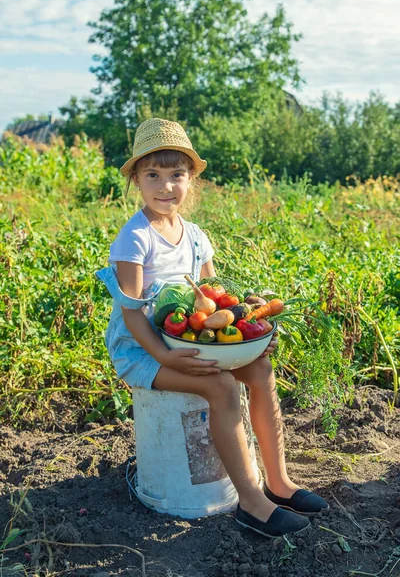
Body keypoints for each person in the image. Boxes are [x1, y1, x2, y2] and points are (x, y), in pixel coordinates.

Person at [96, 118, 329, 539]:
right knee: (221, 386)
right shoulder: (134, 240)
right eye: (153, 175)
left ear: (190, 179)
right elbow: (132, 314)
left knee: (258, 370)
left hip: (188, 340)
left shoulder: (197, 237)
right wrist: (164, 354)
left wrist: (251, 328)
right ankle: (252, 503)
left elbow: (214, 297)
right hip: (143, 350)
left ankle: (278, 482)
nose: (166, 187)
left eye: (176, 175)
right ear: (135, 179)